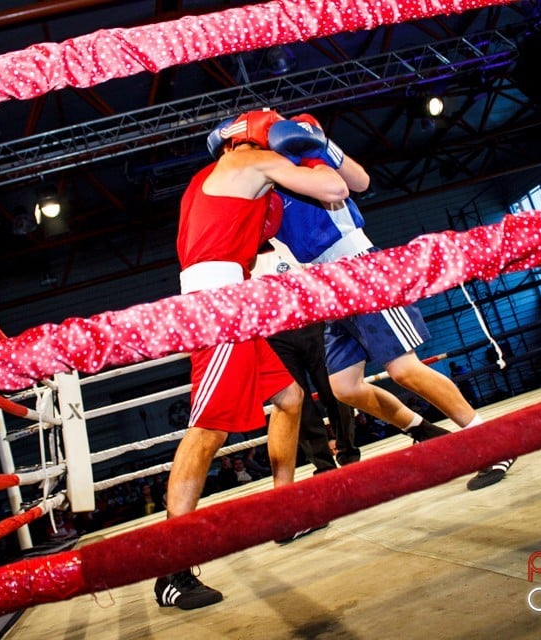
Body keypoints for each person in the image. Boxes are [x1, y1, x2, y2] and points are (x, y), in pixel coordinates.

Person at [154, 108, 351, 610]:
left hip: (232, 301)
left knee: (288, 398)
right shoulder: (254, 162)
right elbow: (336, 191)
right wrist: (314, 144)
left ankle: (283, 512)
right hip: (218, 307)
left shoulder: (207, 176)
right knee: (207, 431)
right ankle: (171, 569)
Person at [264, 113, 516, 491]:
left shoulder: (299, 156)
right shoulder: (262, 180)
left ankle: (491, 441)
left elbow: (359, 183)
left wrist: (322, 145)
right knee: (343, 387)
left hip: (358, 269)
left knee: (403, 369)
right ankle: (426, 432)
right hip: (326, 287)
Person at [251, 241, 360, 473]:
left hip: (312, 324)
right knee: (298, 403)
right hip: (274, 337)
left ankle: (348, 451)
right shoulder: (241, 258)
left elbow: (319, 277)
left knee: (334, 389)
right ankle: (323, 465)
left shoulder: (288, 242)